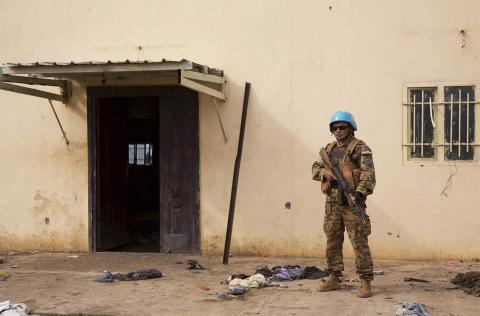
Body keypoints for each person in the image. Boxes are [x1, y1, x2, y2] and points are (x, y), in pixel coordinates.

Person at [312, 111, 376, 298]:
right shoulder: (329, 149)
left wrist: (359, 193)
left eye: (342, 127)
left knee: (359, 242)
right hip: (332, 204)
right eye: (335, 128)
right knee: (332, 240)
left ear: (351, 128)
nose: (338, 131)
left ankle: (365, 281)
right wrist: (325, 174)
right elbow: (315, 168)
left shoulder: (360, 148)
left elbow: (368, 174)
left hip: (352, 202)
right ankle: (334, 276)